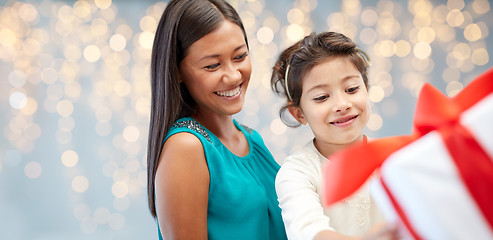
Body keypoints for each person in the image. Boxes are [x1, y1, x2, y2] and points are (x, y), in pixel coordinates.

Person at [146, 0, 287, 239]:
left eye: (240, 56)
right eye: (212, 65)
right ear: (177, 71)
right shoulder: (186, 148)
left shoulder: (252, 139)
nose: (233, 76)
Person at [271, 32, 399, 240]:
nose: (342, 105)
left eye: (351, 89)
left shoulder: (394, 156)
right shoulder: (297, 172)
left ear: (366, 89)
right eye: (322, 97)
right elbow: (310, 233)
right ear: (299, 114)